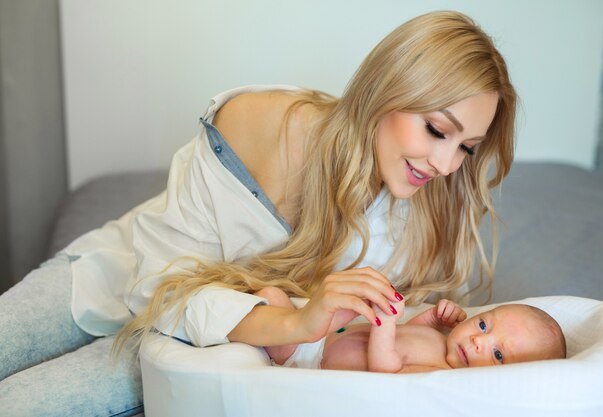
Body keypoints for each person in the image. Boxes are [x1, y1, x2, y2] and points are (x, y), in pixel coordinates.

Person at [0, 10, 516, 417]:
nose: (448, 165)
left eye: (467, 148)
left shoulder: (422, 220)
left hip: (179, 347)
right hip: (116, 274)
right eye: (436, 130)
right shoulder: (258, 125)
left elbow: (376, 356)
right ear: (387, 91)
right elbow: (157, 289)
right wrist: (296, 318)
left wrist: (301, 326)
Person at [254, 287, 566, 372]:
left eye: (498, 353)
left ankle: (245, 335)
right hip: (322, 334)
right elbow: (411, 331)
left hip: (305, 359)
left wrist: (385, 323)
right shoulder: (442, 342)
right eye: (483, 324)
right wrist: (435, 318)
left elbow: (386, 369)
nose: (477, 340)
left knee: (270, 299)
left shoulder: (438, 373)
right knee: (276, 296)